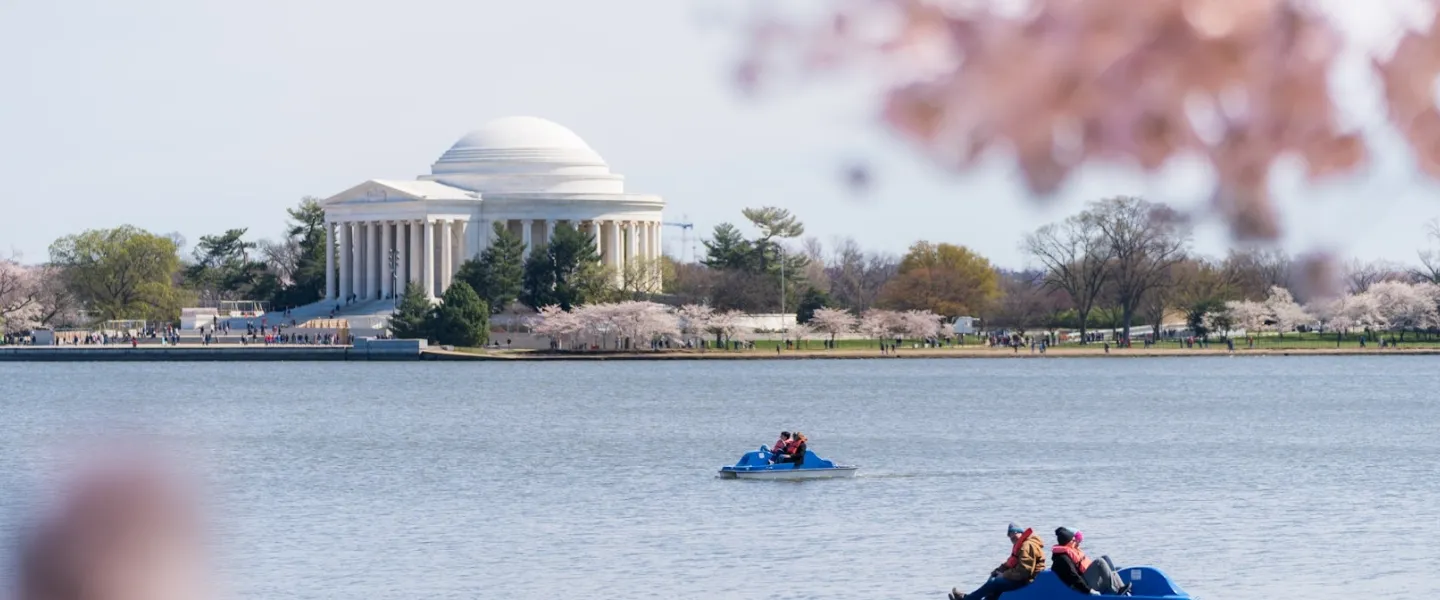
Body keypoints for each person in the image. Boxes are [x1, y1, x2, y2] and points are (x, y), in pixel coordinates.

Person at [950, 523, 1045, 600]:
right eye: (1010, 536)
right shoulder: (1022, 545)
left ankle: (967, 599)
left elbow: (1024, 572)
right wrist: (999, 570)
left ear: (1021, 533)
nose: (1012, 537)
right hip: (1020, 577)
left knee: (994, 583)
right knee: (994, 579)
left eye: (1014, 533)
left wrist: (1004, 575)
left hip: (1028, 581)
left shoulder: (1027, 546)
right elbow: (1011, 562)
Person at [1051, 527, 1092, 593]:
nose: (1075, 542)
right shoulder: (1063, 558)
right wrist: (1089, 590)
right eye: (1073, 540)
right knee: (1100, 562)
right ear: (1068, 542)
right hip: (1080, 585)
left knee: (1104, 558)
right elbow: (1074, 576)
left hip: (1084, 578)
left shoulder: (1069, 552)